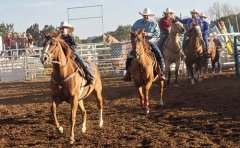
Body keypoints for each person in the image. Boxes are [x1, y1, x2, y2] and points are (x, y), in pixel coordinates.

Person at [123, 8, 165, 81]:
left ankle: (161, 73)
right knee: (129, 55)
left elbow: (157, 33)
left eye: (147, 15)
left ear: (150, 15)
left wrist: (147, 34)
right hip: (139, 44)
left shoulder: (154, 23)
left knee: (159, 55)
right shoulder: (137, 22)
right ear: (143, 16)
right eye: (145, 15)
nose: (146, 17)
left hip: (150, 43)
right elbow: (133, 30)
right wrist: (138, 33)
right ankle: (128, 73)